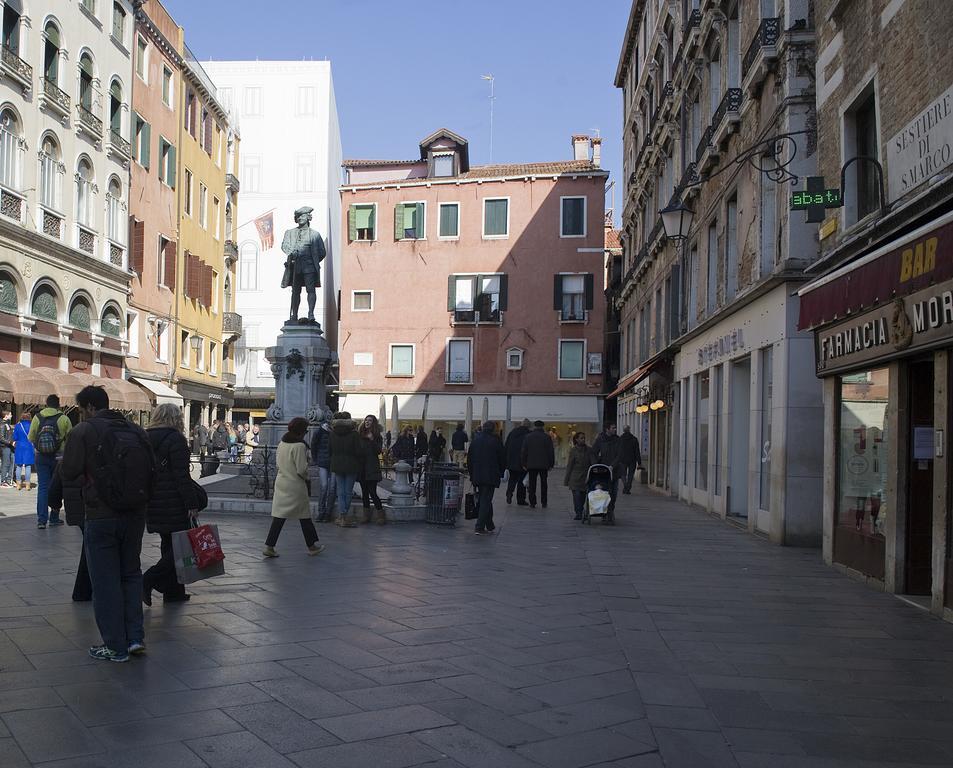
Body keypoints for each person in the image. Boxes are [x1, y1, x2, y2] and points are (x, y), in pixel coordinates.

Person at [60, 385, 153, 662]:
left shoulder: (84, 431)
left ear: (89, 407)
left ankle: (115, 645)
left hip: (101, 514)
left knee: (105, 581)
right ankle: (135, 637)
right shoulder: (136, 430)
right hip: (135, 513)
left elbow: (69, 471)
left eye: (80, 410)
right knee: (131, 574)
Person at [143, 403, 202, 605]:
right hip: (173, 500)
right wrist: (191, 504)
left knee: (168, 543)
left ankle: (173, 591)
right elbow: (181, 476)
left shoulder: (145, 437)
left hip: (153, 499)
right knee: (180, 547)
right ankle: (149, 579)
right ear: (176, 418)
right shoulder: (176, 439)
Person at [263, 417, 324, 557]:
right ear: (301, 431)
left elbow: (278, 464)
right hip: (295, 485)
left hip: (281, 482)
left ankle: (269, 546)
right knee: (304, 516)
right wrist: (307, 477)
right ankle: (312, 546)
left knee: (279, 517)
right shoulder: (299, 446)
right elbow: (301, 469)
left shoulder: (282, 443)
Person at [49, 460, 91, 600]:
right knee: (92, 549)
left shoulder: (65, 462)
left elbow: (53, 490)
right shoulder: (100, 455)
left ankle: (82, 591)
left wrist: (55, 505)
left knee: (89, 548)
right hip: (96, 510)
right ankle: (83, 591)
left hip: (78, 512)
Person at [29, 394, 72, 528]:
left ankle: (41, 520)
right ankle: (54, 518)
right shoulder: (64, 418)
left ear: (46, 404)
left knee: (42, 487)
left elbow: (31, 437)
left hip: (41, 456)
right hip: (58, 457)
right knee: (57, 487)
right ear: (58, 405)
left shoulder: (37, 417)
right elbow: (71, 439)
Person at [281, 206, 327, 323]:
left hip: (309, 266)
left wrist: (313, 260)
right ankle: (294, 315)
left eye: (303, 215)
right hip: (295, 265)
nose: (300, 218)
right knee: (295, 291)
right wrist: (292, 253)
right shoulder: (290, 233)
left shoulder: (315, 235)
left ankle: (311, 314)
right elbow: (284, 246)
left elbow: (322, 252)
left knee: (310, 290)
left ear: (308, 217)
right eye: (298, 216)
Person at [467, 421, 505, 535]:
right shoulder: (496, 441)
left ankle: (489, 524)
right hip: (491, 475)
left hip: (477, 475)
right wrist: (501, 472)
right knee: (486, 499)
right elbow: (502, 459)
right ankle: (479, 526)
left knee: (485, 498)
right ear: (493, 429)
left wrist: (472, 474)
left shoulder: (476, 441)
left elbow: (469, 459)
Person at [329, 411, 363, 528]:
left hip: (337, 464)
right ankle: (344, 516)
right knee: (348, 492)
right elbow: (359, 451)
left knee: (340, 491)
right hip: (351, 465)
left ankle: (341, 516)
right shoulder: (354, 434)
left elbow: (330, 450)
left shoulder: (332, 433)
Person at [591, 423, 624, 522]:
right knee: (604, 492)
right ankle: (604, 512)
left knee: (613, 493)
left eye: (615, 428)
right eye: (613, 428)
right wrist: (595, 464)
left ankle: (611, 510)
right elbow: (593, 453)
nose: (615, 429)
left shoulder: (618, 440)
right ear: (607, 429)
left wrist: (612, 466)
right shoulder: (600, 440)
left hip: (614, 471)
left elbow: (619, 455)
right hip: (602, 471)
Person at [358, 415, 386, 525]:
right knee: (364, 493)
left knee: (372, 492)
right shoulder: (360, 435)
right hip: (361, 467)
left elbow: (378, 451)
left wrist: (372, 439)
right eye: (366, 420)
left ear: (373, 423)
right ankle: (366, 516)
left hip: (372, 467)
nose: (367, 422)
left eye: (370, 420)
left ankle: (380, 515)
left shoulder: (377, 436)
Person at [521, 420, 555, 509]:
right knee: (544, 483)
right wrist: (551, 464)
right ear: (543, 426)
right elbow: (550, 451)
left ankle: (532, 502)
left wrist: (524, 463)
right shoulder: (547, 437)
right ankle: (544, 502)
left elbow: (524, 451)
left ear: (534, 426)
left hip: (531, 464)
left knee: (532, 484)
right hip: (544, 464)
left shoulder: (528, 437)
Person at [310, 413, 336, 522]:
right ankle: (321, 511)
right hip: (322, 462)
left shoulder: (335, 432)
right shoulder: (319, 431)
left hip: (334, 463)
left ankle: (328, 512)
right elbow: (313, 446)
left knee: (332, 488)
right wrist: (315, 459)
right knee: (324, 486)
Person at [564, 432, 593, 521]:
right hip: (575, 477)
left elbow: (593, 462)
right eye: (581, 438)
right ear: (576, 439)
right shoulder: (573, 450)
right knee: (576, 496)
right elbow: (570, 465)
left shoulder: (589, 450)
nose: (583, 439)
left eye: (584, 438)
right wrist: (566, 479)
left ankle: (580, 510)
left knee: (583, 497)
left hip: (585, 477)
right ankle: (579, 513)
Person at [504, 419, 532, 505]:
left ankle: (509, 493)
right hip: (523, 461)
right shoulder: (529, 434)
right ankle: (520, 499)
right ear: (528, 426)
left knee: (512, 479)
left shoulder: (513, 432)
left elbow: (506, 446)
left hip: (512, 461)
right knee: (521, 481)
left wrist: (507, 460)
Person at [12, 411, 34, 492]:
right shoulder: (32, 425)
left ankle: (18, 485)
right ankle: (28, 485)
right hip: (29, 446)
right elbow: (34, 436)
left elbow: (15, 437)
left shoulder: (18, 426)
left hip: (20, 446)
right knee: (28, 466)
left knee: (19, 465)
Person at [619, 424, 643, 494]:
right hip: (632, 460)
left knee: (623, 474)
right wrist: (639, 462)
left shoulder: (620, 439)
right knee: (630, 475)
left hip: (622, 459)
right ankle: (628, 487)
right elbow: (637, 451)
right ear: (629, 430)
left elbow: (618, 450)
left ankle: (626, 486)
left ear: (623, 430)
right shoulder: (634, 439)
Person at [0, 410, 14, 487]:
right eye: (10, 414)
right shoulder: (2, 425)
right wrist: (10, 442)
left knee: (11, 463)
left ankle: (9, 480)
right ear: (6, 416)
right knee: (5, 464)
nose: (11, 415)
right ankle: (3, 481)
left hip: (8, 446)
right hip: (4, 447)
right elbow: (1, 438)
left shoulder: (7, 424)